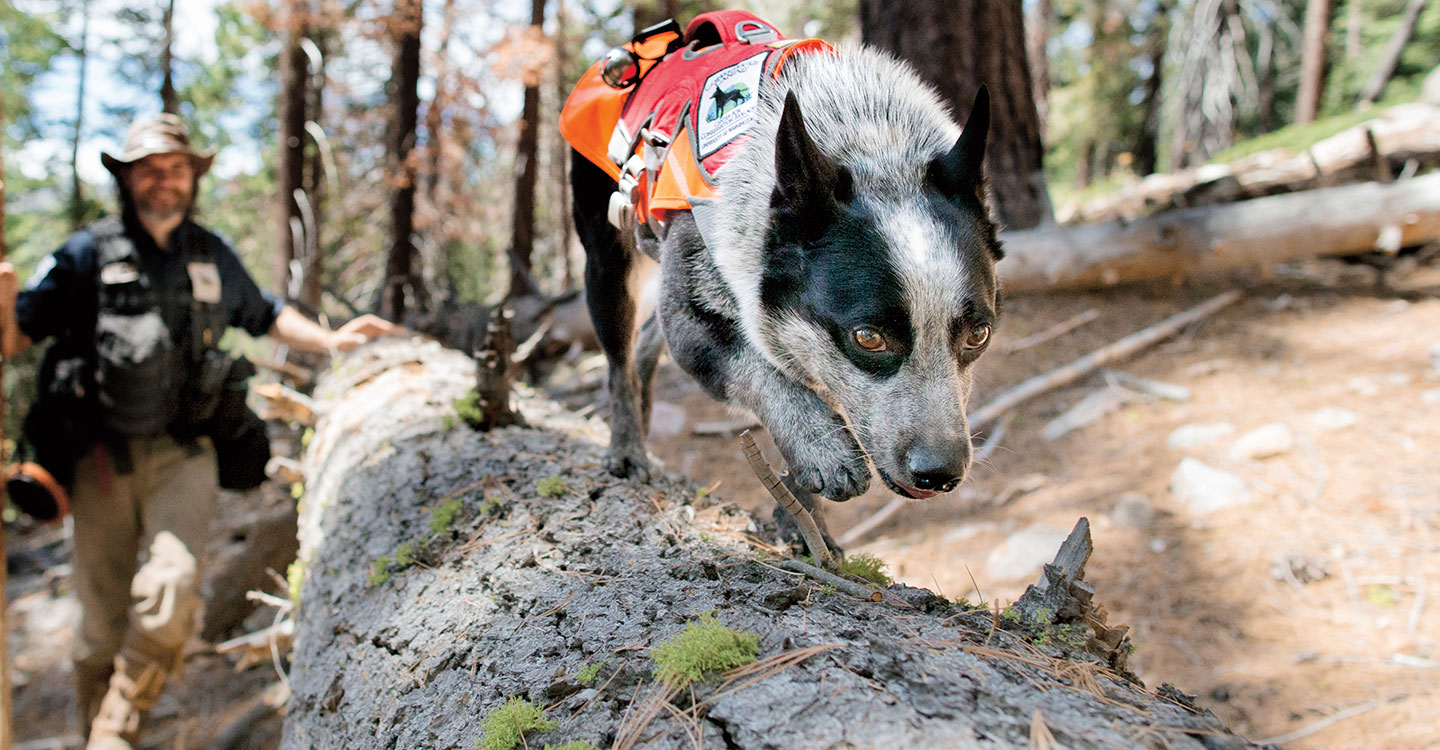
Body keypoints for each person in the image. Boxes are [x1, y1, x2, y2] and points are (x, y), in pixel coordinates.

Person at [0, 114, 396, 749]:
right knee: (98, 631)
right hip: (99, 462)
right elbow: (17, 334)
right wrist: (5, 295)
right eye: (150, 168)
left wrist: (331, 340)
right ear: (127, 177)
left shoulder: (210, 253)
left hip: (186, 455)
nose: (165, 180)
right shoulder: (85, 253)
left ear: (193, 177)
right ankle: (96, 730)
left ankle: (114, 737)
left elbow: (264, 313)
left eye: (177, 168)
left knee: (171, 601)